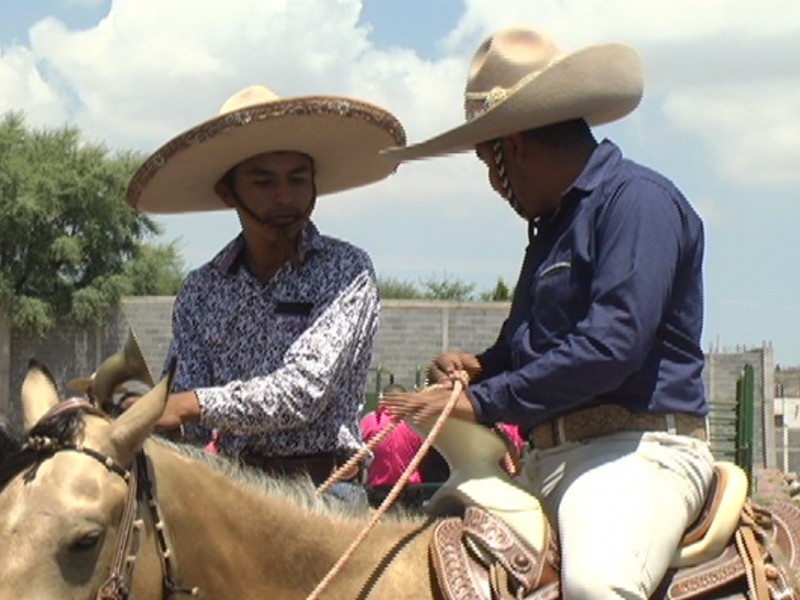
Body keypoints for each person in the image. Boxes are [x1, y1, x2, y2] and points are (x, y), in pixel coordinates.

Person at [380, 27, 715, 598]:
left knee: (596, 585)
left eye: (488, 161)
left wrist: (477, 401)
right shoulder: (553, 228)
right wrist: (481, 367)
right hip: (549, 456)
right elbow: (523, 346)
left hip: (637, 456)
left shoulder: (639, 203)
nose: (492, 183)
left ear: (513, 147)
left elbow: (612, 346)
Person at [125, 85, 406, 500]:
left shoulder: (346, 270)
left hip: (324, 488)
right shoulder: (201, 291)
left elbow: (304, 390)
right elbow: (191, 415)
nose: (285, 197)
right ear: (228, 192)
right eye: (263, 182)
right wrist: (142, 412)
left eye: (297, 179)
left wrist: (191, 404)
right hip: (235, 489)